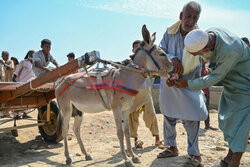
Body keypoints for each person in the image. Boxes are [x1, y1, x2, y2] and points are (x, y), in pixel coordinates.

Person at [174, 28, 250, 167]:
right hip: (231, 86)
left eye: (200, 54)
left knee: (240, 126)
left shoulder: (230, 51)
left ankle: (235, 162)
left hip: (245, 87)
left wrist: (188, 83)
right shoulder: (207, 35)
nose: (201, 57)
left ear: (207, 48)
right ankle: (228, 158)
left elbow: (214, 78)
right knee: (229, 122)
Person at [157, 1, 207, 166]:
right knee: (169, 115)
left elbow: (203, 60)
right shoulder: (169, 32)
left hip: (188, 82)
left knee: (192, 118)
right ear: (181, 16)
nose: (190, 21)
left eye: (194, 17)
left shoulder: (200, 37)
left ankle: (194, 154)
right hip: (169, 81)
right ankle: (172, 147)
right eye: (188, 16)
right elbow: (160, 51)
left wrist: (184, 79)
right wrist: (173, 58)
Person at [128, 40, 163, 148]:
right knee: (132, 119)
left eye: (140, 48)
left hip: (146, 95)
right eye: (136, 48)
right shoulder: (128, 64)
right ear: (133, 50)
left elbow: (157, 71)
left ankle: (157, 139)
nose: (138, 50)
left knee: (151, 116)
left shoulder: (149, 64)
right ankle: (136, 141)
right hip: (132, 96)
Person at [201, 59, 217, 130]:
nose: (205, 60)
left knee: (206, 108)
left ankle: (207, 125)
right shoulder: (198, 70)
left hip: (207, 91)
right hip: (200, 92)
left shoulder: (207, 69)